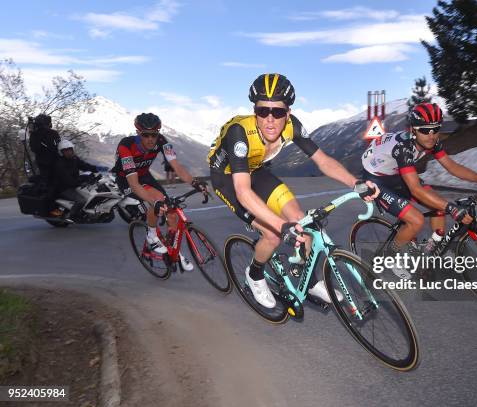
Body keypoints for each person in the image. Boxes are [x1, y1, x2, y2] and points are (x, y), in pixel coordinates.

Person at [208, 73, 379, 308]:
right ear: (254, 110)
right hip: (228, 178)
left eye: (277, 112)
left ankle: (309, 282)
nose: (269, 119)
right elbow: (243, 192)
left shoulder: (292, 126)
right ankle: (255, 274)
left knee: (302, 221)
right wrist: (281, 226)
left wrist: (354, 183)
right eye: (262, 111)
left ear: (288, 113)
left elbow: (323, 161)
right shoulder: (239, 132)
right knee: (274, 234)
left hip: (255, 170)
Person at [361, 102, 477, 279]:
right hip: (376, 178)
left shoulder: (431, 142)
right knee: (416, 220)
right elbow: (416, 190)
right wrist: (453, 208)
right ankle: (389, 257)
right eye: (425, 130)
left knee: (438, 205)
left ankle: (431, 253)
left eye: (436, 129)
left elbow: (452, 167)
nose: (431, 135)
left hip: (396, 172)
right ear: (413, 130)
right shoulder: (403, 147)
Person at [112, 113, 208, 271]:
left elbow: (177, 167)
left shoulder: (162, 141)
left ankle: (173, 251)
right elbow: (135, 184)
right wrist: (155, 202)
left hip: (144, 175)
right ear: (138, 132)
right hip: (128, 180)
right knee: (156, 200)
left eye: (154, 134)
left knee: (171, 211)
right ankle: (151, 236)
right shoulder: (126, 146)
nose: (151, 139)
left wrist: (195, 183)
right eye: (145, 135)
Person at [53, 139, 108, 218]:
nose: (69, 152)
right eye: (66, 150)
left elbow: (85, 166)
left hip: (75, 184)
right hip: (65, 188)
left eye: (70, 149)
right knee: (82, 200)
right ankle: (71, 215)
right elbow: (67, 180)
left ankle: (91, 211)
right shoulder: (59, 164)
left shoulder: (74, 159)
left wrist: (98, 168)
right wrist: (82, 180)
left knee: (93, 193)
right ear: (61, 152)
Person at [29, 114, 60, 185]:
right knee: (49, 182)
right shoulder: (35, 134)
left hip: (54, 161)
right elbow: (34, 148)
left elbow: (59, 145)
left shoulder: (53, 133)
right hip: (44, 163)